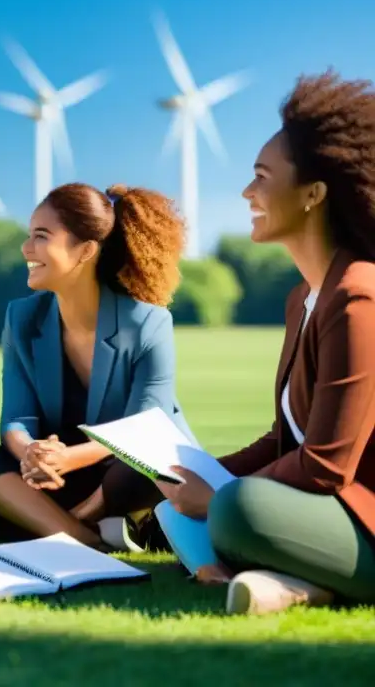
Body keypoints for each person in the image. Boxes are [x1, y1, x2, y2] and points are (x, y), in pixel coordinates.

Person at [159, 71, 375, 615]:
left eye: (261, 177)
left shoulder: (359, 299)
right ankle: (297, 586)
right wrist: (204, 473)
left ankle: (276, 572)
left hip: (363, 519)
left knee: (238, 509)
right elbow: (287, 437)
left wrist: (219, 494)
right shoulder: (303, 296)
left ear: (313, 194)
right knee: (179, 504)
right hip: (325, 515)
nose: (247, 192)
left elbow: (325, 466)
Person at [0, 182, 192, 550]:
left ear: (86, 250)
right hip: (51, 477)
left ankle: (45, 523)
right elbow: (16, 418)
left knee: (154, 463)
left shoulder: (148, 323)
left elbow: (143, 427)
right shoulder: (22, 317)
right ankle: (87, 537)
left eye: (42, 236)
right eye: (29, 235)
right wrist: (30, 452)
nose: (27, 249)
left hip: (122, 472)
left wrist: (69, 458)